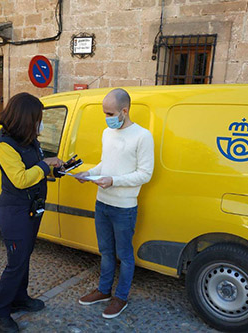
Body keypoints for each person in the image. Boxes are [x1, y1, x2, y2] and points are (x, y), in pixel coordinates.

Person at [76, 88, 154, 319]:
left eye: (110, 113)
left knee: (125, 255)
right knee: (106, 252)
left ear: (124, 110)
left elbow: (145, 173)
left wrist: (114, 181)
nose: (107, 117)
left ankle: (121, 297)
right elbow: (106, 163)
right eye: (104, 113)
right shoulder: (107, 133)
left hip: (124, 208)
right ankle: (103, 291)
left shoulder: (143, 136)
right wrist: (88, 173)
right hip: (103, 204)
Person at [0, 92, 64, 333]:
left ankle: (20, 298)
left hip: (32, 209)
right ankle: (0, 312)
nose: (39, 123)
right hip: (16, 211)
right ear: (25, 119)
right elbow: (21, 179)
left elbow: (38, 167)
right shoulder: (5, 144)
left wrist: (59, 168)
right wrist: (46, 165)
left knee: (24, 258)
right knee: (16, 263)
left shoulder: (29, 140)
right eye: (37, 119)